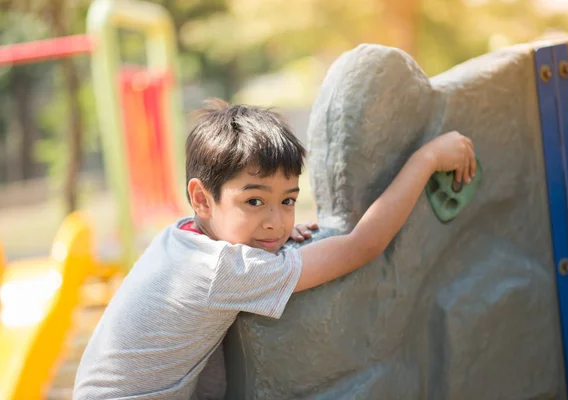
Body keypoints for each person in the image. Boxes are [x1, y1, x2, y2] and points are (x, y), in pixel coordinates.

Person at [74, 98, 476, 399]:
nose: (276, 221)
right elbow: (363, 245)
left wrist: (269, 237)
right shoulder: (225, 270)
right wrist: (426, 160)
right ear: (201, 199)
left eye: (287, 201)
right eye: (254, 201)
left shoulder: (179, 238)